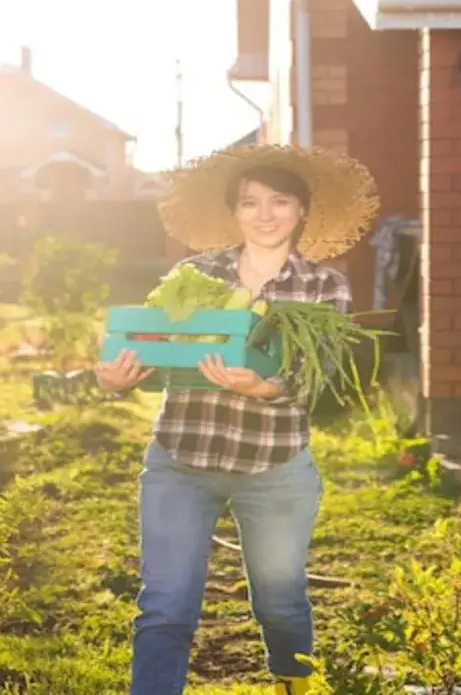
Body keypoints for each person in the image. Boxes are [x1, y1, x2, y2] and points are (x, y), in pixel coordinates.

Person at [95, 144, 379, 695]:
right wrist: (120, 378)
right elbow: (159, 351)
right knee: (165, 607)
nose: (265, 214)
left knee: (280, 600)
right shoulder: (192, 274)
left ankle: (291, 682)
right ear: (235, 211)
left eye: (280, 201)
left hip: (273, 466)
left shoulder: (323, 286)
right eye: (250, 202)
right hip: (182, 457)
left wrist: (267, 387)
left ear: (302, 211)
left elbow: (318, 373)